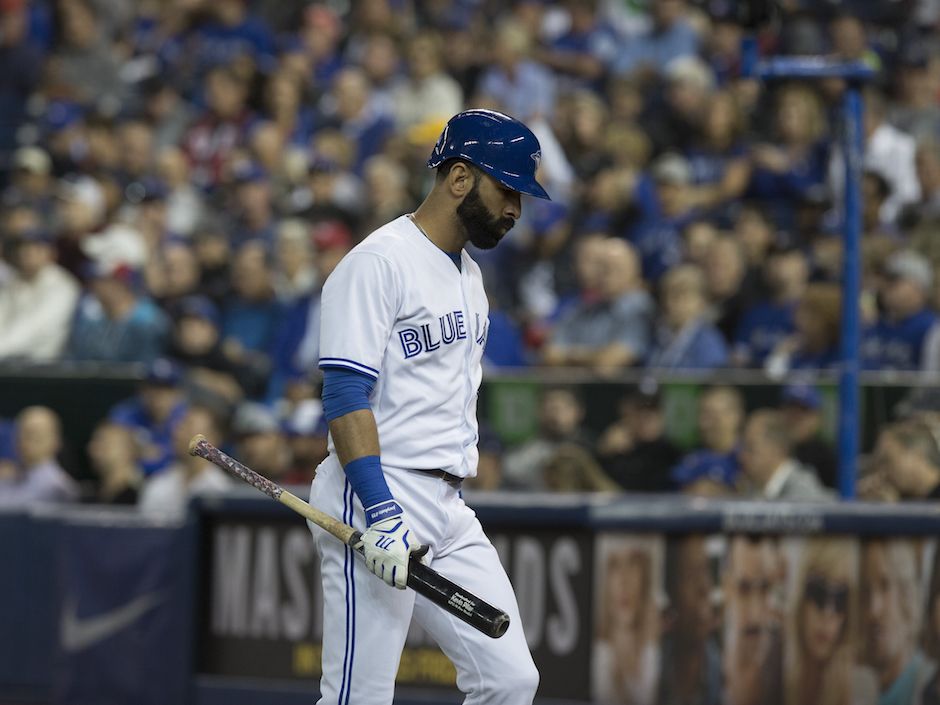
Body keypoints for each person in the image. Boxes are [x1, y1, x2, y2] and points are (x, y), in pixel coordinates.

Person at [309, 109, 544, 705]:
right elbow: (343, 395)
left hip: (448, 503)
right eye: (507, 189)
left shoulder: (468, 275)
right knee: (357, 698)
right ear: (460, 178)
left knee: (511, 679)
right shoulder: (378, 262)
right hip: (377, 492)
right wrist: (381, 512)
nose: (515, 209)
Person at [784, 538, 877, 705]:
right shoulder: (777, 675)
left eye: (841, 598)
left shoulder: (860, 686)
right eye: (818, 591)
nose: (827, 612)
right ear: (802, 597)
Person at [859, 540, 936, 705]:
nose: (873, 609)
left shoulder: (932, 686)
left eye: (885, 585)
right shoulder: (860, 693)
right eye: (866, 590)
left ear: (907, 593)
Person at [592, 539, 661, 705]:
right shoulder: (598, 658)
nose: (624, 580)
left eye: (633, 564)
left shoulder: (655, 654)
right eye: (615, 566)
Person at [658, 535, 721, 705]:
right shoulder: (654, 669)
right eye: (691, 574)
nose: (704, 587)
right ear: (672, 591)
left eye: (707, 571)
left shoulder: (726, 676)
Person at [138, 404, 231, 518]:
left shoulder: (222, 490)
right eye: (180, 426)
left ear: (213, 439)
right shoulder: (158, 484)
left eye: (188, 426)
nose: (177, 432)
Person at [722, 535, 783, 705]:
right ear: (727, 588)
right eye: (744, 588)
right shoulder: (705, 663)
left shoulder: (788, 670)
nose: (755, 614)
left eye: (764, 588)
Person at [502, 385, 594, 490]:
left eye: (563, 407)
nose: (556, 414)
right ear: (538, 412)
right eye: (550, 407)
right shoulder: (524, 455)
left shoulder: (594, 449)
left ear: (579, 411)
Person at [739, 409, 833, 501]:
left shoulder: (805, 497)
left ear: (776, 449)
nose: (742, 456)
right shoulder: (753, 489)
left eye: (750, 448)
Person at [0, 406, 79, 505]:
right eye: (20, 433)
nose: (24, 441)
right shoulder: (7, 479)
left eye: (34, 434)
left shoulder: (57, 488)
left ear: (56, 441)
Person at [86, 421, 143, 505]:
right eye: (94, 443)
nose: (92, 449)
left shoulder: (142, 496)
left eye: (104, 445)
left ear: (128, 451)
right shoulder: (87, 494)